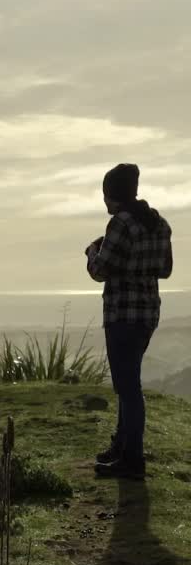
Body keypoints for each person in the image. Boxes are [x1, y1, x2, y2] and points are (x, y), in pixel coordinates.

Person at [85, 163, 173, 479]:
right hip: (148, 314)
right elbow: (165, 270)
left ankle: (132, 459)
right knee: (127, 384)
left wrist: (92, 251)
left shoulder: (120, 225)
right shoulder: (159, 224)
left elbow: (100, 271)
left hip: (122, 313)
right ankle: (121, 447)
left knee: (128, 388)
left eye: (105, 195)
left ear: (113, 195)